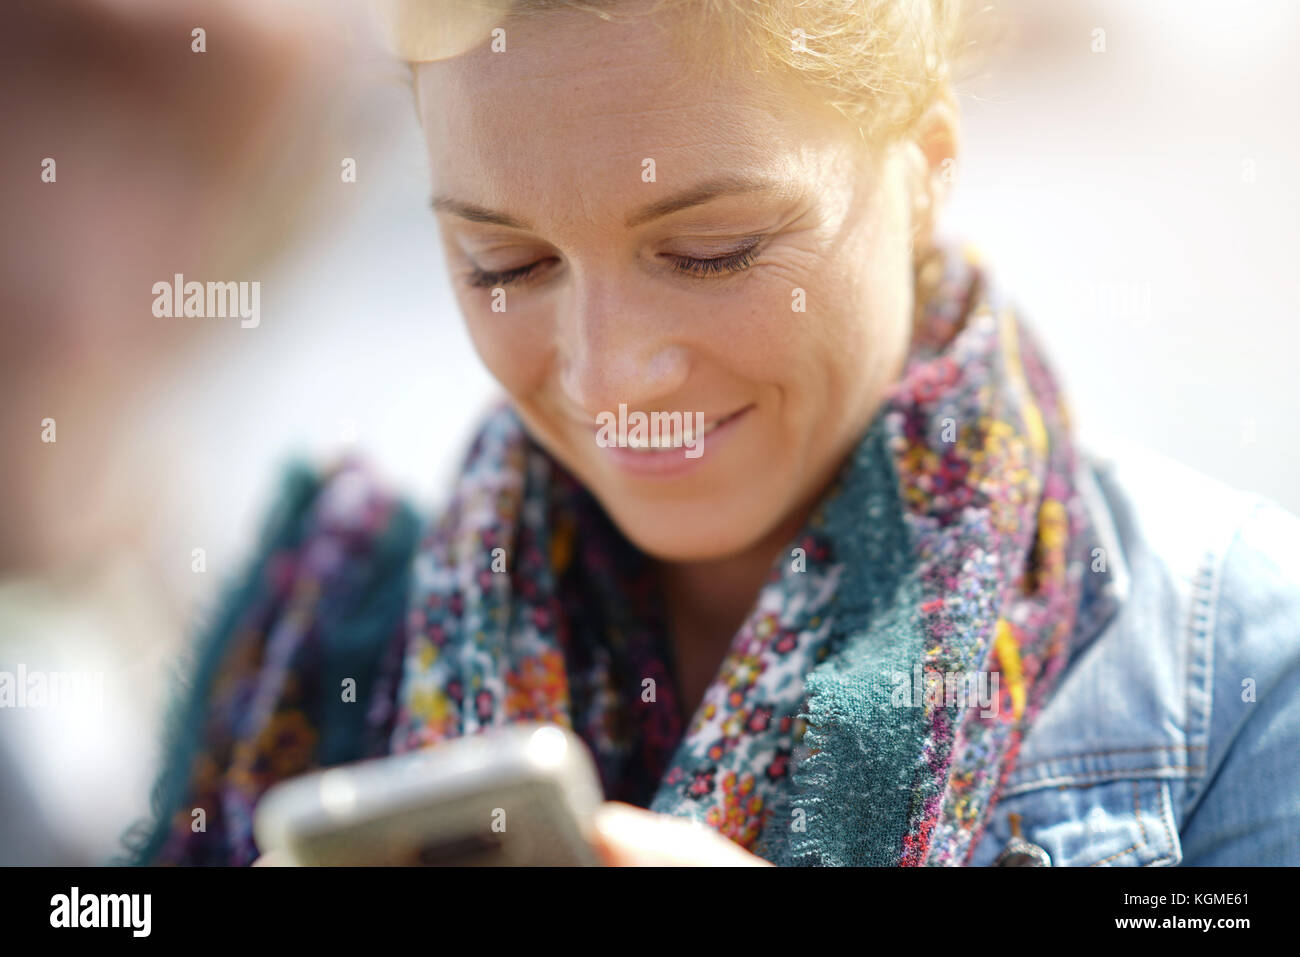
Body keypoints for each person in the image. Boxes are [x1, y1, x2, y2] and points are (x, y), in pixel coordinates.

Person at [122, 0, 1300, 867]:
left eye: (709, 253)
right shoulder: (313, 643)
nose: (611, 373)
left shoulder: (1245, 667)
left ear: (927, 169)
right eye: (507, 265)